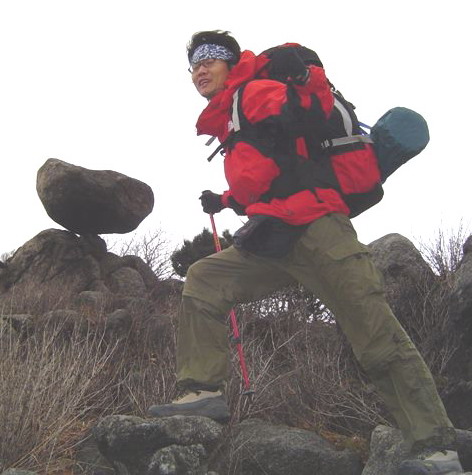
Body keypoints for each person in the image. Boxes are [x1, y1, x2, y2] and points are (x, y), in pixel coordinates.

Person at [148, 30, 466, 474]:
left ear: (231, 64)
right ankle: (202, 390)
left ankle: (436, 448)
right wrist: (225, 200)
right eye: (194, 64)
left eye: (210, 60)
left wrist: (304, 77)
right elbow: (271, 174)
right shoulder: (232, 114)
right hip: (275, 234)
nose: (200, 69)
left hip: (320, 229)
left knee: (375, 335)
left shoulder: (254, 92)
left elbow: (311, 111)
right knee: (205, 278)